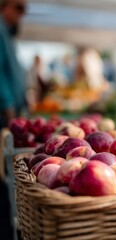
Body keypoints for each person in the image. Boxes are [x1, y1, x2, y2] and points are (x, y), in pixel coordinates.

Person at [0, 1, 26, 239]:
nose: (22, 15)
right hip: (4, 115)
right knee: (4, 178)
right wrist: (9, 111)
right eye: (19, 7)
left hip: (12, 112)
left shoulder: (6, 31)